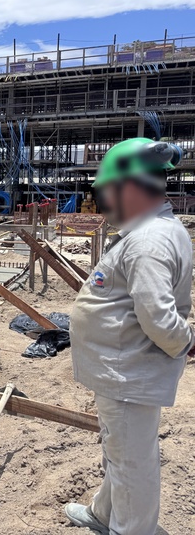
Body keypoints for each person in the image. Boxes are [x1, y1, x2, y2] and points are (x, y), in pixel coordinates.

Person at [65, 138, 194, 535]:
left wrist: (187, 342)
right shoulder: (149, 232)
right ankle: (104, 514)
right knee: (121, 451)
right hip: (122, 369)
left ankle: (133, 530)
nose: (102, 204)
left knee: (131, 461)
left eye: (106, 193)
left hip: (128, 373)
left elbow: (158, 318)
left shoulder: (148, 242)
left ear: (132, 188)